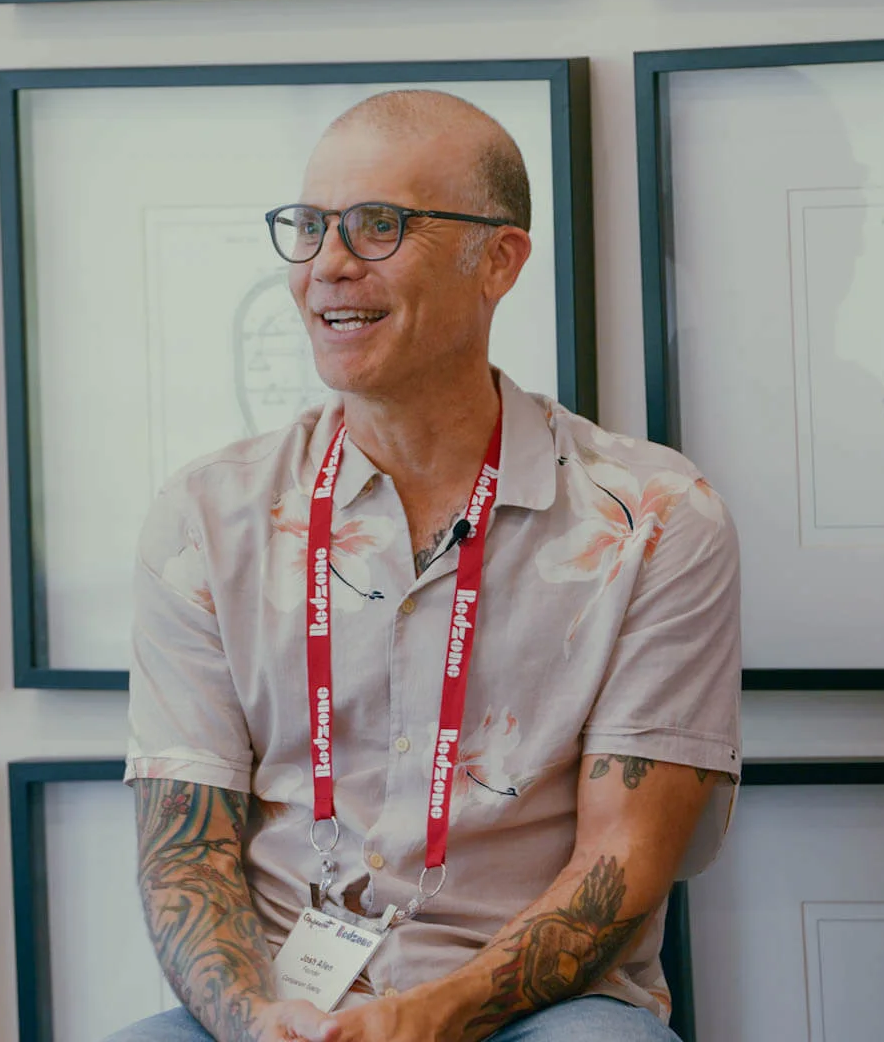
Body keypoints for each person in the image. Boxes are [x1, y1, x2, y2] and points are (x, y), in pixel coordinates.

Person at [112, 90, 741, 1042]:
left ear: (499, 260)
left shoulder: (654, 517)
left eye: (378, 225)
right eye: (311, 226)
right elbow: (183, 857)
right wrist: (258, 1024)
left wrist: (420, 1021)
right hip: (280, 1008)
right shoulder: (207, 515)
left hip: (538, 1014)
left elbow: (624, 861)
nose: (328, 265)